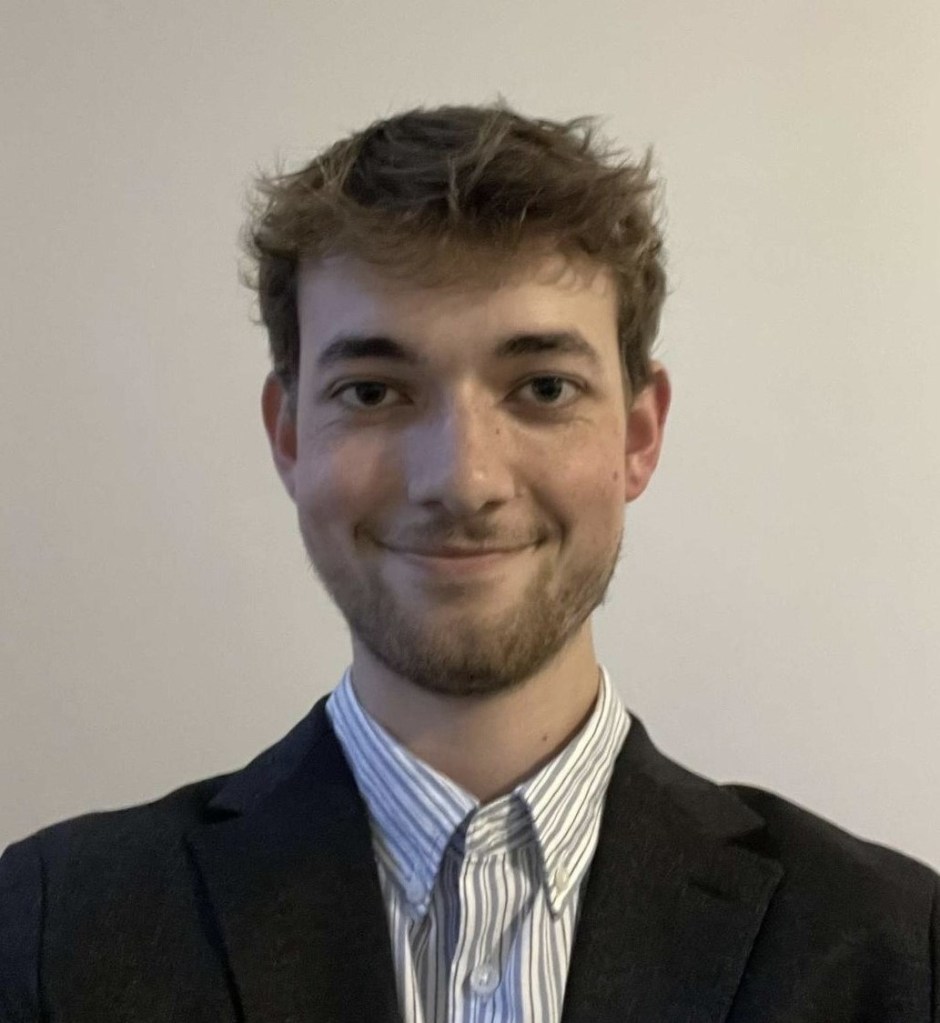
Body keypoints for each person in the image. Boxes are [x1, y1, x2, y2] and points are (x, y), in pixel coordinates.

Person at [1, 99, 936, 1023]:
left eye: (543, 388)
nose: (462, 479)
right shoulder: (54, 930)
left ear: (638, 436)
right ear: (288, 435)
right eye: (373, 392)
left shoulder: (894, 945)